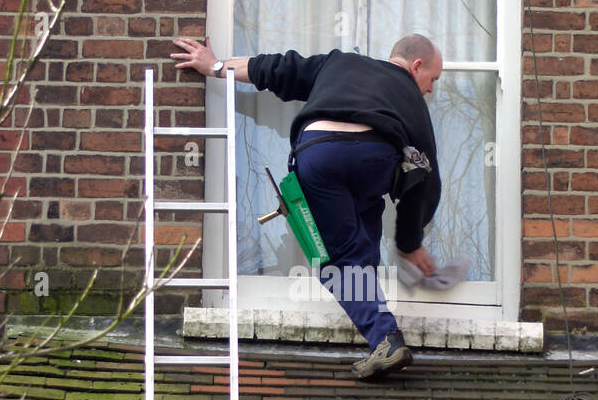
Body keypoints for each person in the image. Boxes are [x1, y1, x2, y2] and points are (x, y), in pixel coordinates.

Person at [170, 33, 443, 381]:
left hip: (321, 153)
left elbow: (275, 69)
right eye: (432, 79)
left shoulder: (339, 63)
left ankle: (384, 338)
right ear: (416, 66)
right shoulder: (409, 95)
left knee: (339, 259)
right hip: (375, 160)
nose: (431, 90)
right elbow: (424, 174)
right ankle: (382, 337)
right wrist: (409, 242)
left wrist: (216, 66)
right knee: (360, 251)